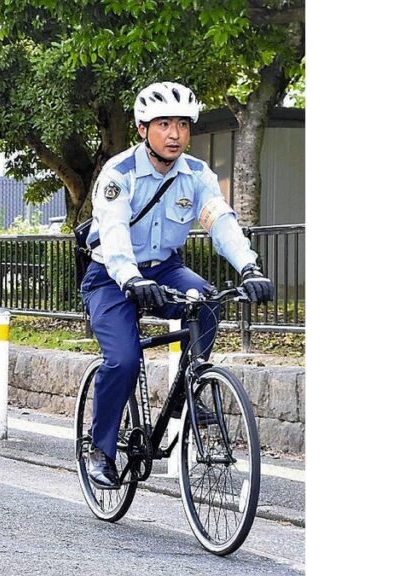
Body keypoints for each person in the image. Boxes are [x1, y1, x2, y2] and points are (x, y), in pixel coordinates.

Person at [80, 81, 274, 489]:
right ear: (141, 129)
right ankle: (101, 450)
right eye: (164, 124)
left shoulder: (197, 175)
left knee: (206, 300)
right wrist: (131, 277)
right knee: (124, 360)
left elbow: (220, 221)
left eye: (183, 125)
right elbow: (113, 233)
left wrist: (249, 267)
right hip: (111, 277)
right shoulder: (119, 174)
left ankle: (191, 390)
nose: (175, 134)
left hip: (166, 269)